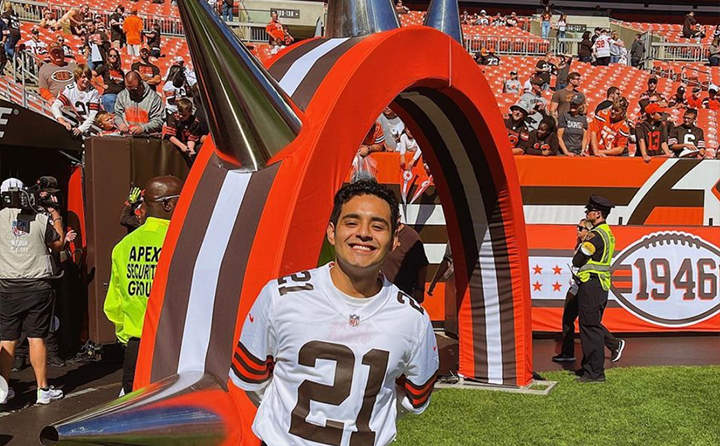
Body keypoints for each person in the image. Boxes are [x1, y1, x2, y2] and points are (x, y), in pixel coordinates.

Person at [228, 180, 439, 445]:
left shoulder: (413, 319)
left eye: (377, 225)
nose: (363, 233)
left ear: (395, 239)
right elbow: (252, 379)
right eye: (351, 222)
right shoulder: (280, 297)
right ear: (331, 232)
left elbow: (414, 399)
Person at [105, 176, 183, 395]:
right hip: (174, 347)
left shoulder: (123, 246)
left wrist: (127, 337)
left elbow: (114, 302)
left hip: (136, 347)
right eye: (182, 199)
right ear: (167, 204)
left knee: (135, 414)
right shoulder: (183, 240)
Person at [0, 178, 73, 404]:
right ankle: (43, 390)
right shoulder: (40, 218)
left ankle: (2, 389)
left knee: (6, 338)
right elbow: (59, 243)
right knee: (36, 337)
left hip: (7, 286)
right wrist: (56, 213)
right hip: (37, 286)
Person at [553, 218, 624, 364]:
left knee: (590, 321)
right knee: (568, 318)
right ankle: (567, 352)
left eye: (580, 228)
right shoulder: (580, 245)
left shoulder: (592, 244)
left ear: (588, 230)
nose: (577, 231)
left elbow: (584, 264)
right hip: (576, 286)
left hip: (585, 287)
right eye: (577, 227)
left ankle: (614, 344)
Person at [574, 195, 617, 383]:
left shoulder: (595, 234)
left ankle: (595, 373)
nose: (587, 214)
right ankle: (588, 368)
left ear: (597, 214)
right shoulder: (607, 233)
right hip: (600, 285)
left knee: (590, 328)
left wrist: (577, 262)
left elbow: (582, 255)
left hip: (592, 284)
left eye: (589, 211)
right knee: (592, 325)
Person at [382, 222, 429, 303]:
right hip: (378, 293)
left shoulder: (411, 237)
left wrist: (420, 289)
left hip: (402, 295)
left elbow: (422, 266)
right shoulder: (378, 232)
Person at [52, 64, 100, 137]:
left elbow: (94, 115)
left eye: (88, 77)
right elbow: (55, 105)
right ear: (77, 77)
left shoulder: (93, 92)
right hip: (81, 121)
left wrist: (81, 129)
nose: (86, 80)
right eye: (83, 77)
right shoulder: (70, 90)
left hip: (94, 124)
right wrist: (62, 121)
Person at [114, 71, 166, 135]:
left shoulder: (154, 99)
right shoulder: (122, 96)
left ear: (141, 84)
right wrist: (120, 123)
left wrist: (143, 128)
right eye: (129, 90)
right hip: (127, 135)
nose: (132, 92)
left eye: (134, 90)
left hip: (147, 136)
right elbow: (117, 114)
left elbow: (159, 120)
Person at [95, 48, 124, 113]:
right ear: (108, 57)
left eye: (114, 56)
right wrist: (102, 85)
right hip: (109, 95)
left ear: (117, 57)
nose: (112, 57)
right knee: (112, 117)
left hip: (120, 97)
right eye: (110, 56)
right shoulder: (105, 67)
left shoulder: (120, 71)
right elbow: (91, 74)